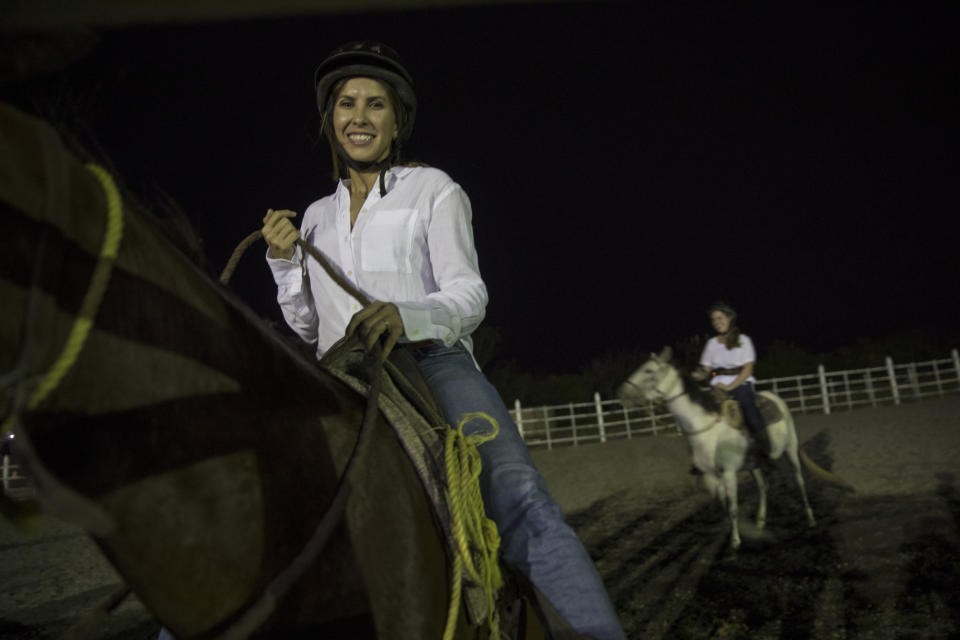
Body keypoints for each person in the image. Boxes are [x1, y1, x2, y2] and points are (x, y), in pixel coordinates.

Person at [261, 41, 624, 640]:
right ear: (330, 121)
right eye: (346, 104)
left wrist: (407, 316)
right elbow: (307, 327)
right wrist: (281, 262)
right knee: (260, 500)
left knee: (519, 496)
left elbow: (468, 294)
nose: (359, 116)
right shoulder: (314, 217)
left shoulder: (433, 190)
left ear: (396, 120)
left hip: (429, 361)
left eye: (375, 105)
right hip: (341, 375)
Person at [691, 301, 771, 463]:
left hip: (740, 385)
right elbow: (709, 370)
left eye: (720, 318)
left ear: (729, 319)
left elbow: (747, 369)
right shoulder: (711, 344)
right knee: (701, 417)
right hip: (717, 388)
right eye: (714, 320)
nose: (717, 322)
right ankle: (702, 457)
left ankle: (765, 454)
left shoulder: (744, 340)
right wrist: (696, 375)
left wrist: (730, 386)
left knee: (750, 413)